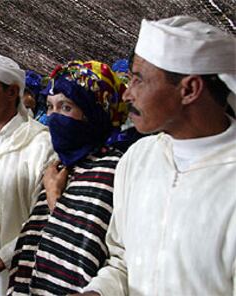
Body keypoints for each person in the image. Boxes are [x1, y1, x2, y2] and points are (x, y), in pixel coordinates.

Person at [77, 15, 236, 296]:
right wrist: (98, 292)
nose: (127, 95)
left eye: (138, 79)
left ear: (189, 89)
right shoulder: (138, 159)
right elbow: (123, 260)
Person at [7, 60, 127, 295]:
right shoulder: (60, 166)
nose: (53, 117)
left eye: (65, 107)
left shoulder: (115, 171)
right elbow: (38, 232)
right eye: (50, 107)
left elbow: (102, 248)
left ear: (94, 113)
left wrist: (53, 196)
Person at [0, 54, 55, 296]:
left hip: (23, 269)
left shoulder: (40, 143)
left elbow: (44, 220)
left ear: (12, 92)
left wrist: (2, 259)